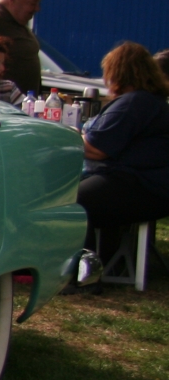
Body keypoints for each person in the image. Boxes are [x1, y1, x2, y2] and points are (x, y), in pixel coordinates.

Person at [77, 41, 169, 264]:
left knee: (72, 202)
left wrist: (65, 137)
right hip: (152, 185)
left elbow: (97, 150)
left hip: (140, 184)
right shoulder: (150, 102)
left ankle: (81, 274)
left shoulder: (133, 103)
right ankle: (105, 263)